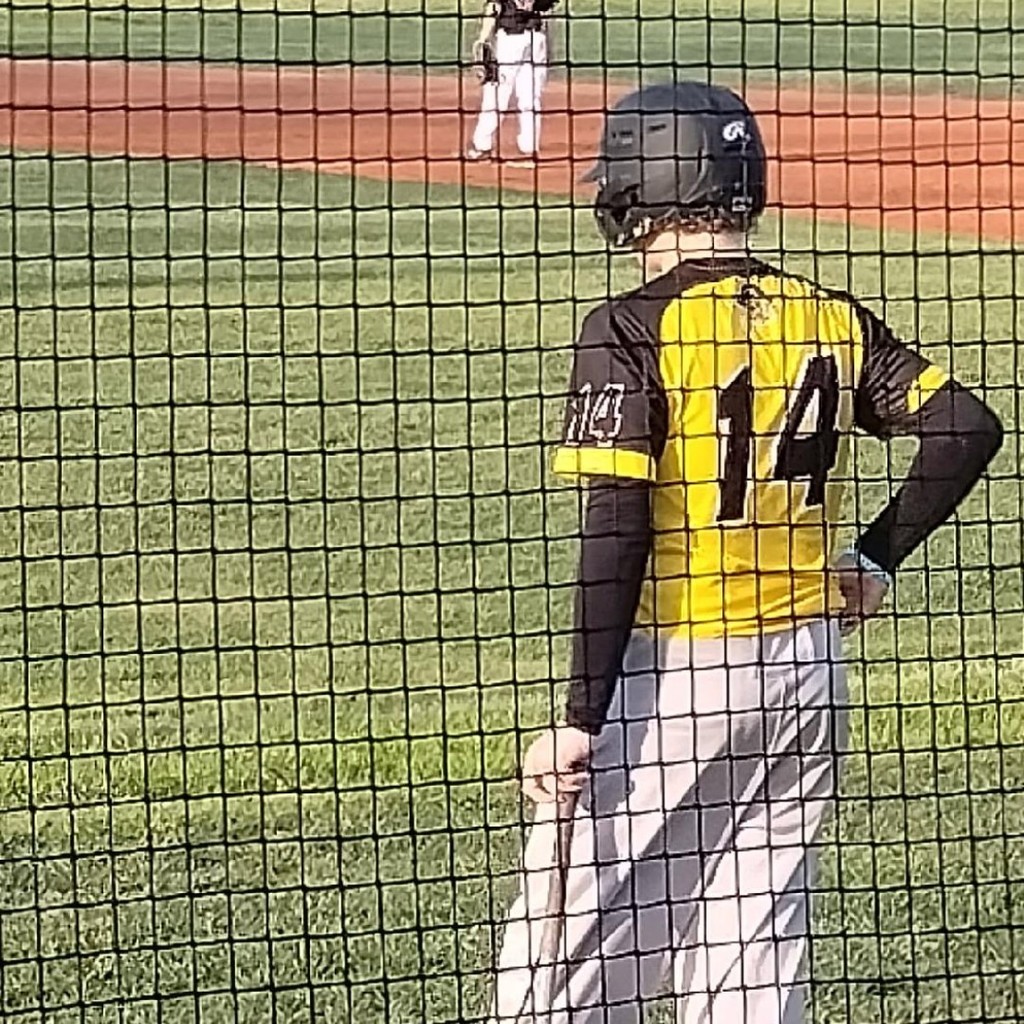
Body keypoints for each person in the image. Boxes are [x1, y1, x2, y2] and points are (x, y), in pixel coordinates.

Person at [488, 80, 1003, 1023]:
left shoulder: (631, 328)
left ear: (641, 185)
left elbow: (618, 528)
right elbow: (967, 429)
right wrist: (877, 559)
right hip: (805, 676)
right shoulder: (830, 315)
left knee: (565, 959)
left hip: (677, 677)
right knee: (750, 962)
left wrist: (578, 718)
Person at [464, 0, 559, 165]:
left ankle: (482, 146)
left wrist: (482, 39)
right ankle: (529, 151)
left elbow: (494, 7)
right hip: (537, 40)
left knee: (497, 93)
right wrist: (547, 48)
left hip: (511, 41)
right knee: (530, 98)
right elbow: (546, 12)